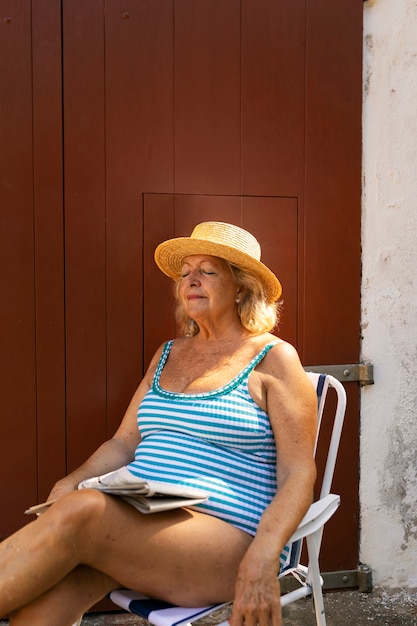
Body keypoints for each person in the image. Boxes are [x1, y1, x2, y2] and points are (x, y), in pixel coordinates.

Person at [0, 221, 317, 626]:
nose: (191, 280)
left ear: (241, 287)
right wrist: (71, 481)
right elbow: (124, 444)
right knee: (41, 604)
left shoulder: (274, 359)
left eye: (208, 270)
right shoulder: (168, 353)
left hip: (230, 542)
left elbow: (298, 472)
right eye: (185, 273)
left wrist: (263, 555)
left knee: (86, 511)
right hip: (142, 526)